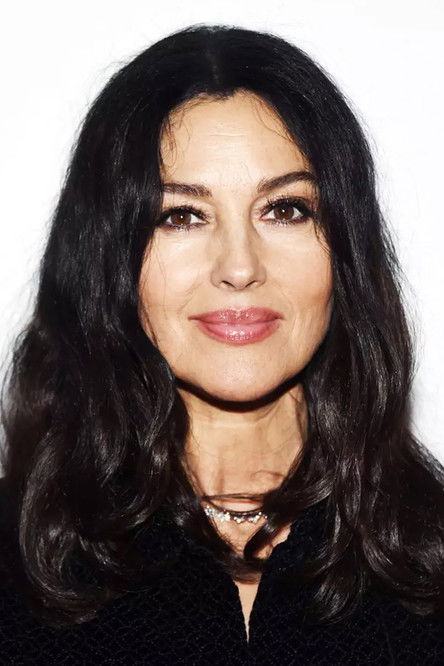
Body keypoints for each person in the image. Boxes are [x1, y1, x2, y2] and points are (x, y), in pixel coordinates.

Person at [0, 23, 443, 665]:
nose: (239, 266)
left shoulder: (429, 554)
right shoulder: (15, 568)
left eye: (285, 209)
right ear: (110, 259)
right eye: (181, 215)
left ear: (345, 251)